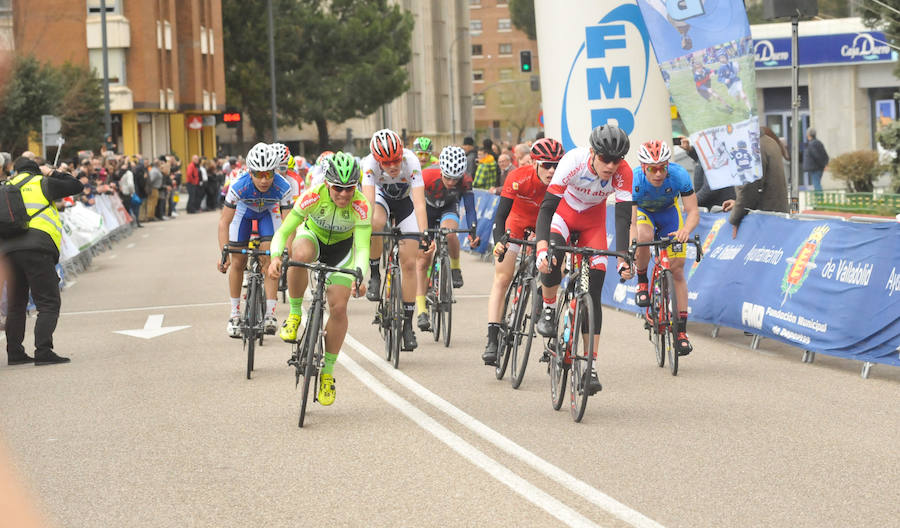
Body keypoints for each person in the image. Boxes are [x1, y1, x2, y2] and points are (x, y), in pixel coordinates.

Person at [267, 152, 372, 406]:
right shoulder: (312, 196)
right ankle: (295, 314)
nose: (344, 194)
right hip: (312, 238)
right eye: (338, 188)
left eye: (350, 188)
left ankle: (327, 373)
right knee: (299, 255)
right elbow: (283, 231)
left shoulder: (362, 206)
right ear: (327, 184)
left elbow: (362, 247)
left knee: (339, 308)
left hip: (342, 252)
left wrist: (359, 274)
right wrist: (275, 257)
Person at [534, 125, 632, 393]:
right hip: (564, 215)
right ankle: (549, 308)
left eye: (616, 160)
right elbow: (547, 208)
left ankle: (590, 367)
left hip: (593, 224)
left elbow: (623, 218)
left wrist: (623, 258)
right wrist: (542, 248)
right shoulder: (573, 162)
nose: (611, 166)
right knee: (553, 259)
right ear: (592, 153)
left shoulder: (623, 172)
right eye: (605, 159)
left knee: (593, 291)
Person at [481, 138, 564, 366]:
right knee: (503, 277)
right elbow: (501, 214)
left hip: (544, 227)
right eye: (546, 165)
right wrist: (500, 241)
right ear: (535, 163)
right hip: (516, 223)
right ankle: (492, 339)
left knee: (557, 268)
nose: (552, 170)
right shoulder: (518, 177)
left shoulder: (563, 182)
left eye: (556, 165)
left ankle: (544, 306)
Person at [3, 157, 83, 365]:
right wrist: (52, 172)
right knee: (48, 302)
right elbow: (76, 185)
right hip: (37, 248)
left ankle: (15, 352)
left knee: (16, 304)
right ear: (36, 170)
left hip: (8, 252)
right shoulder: (42, 182)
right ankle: (43, 350)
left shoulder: (5, 186)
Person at [629, 140, 700, 356]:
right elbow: (631, 223)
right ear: (644, 167)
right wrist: (631, 246)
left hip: (669, 214)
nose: (658, 173)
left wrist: (685, 230)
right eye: (653, 169)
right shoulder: (634, 179)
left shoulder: (679, 175)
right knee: (644, 236)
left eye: (662, 168)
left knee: (677, 270)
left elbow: (693, 211)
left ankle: (681, 332)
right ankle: (642, 281)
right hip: (644, 213)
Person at [361, 128, 430, 352]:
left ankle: (408, 325)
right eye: (386, 162)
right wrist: (365, 232)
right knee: (375, 222)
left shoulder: (411, 161)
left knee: (409, 264)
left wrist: (425, 234)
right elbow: (368, 203)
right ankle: (374, 273)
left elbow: (419, 203)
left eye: (396, 160)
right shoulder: (369, 164)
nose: (392, 166)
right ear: (377, 160)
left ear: (402, 154)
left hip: (405, 204)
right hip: (381, 199)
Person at [216, 143, 293, 338]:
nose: (264, 180)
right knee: (237, 262)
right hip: (243, 213)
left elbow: (288, 224)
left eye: (269, 174)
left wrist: (287, 251)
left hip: (268, 213)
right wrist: (224, 253)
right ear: (250, 172)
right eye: (259, 174)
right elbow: (224, 222)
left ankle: (270, 315)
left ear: (275, 171)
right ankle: (234, 315)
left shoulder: (283, 186)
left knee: (270, 260)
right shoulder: (238, 185)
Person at [415, 146, 479, 331]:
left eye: (455, 178)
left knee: (450, 233)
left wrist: (473, 231)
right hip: (426, 210)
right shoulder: (427, 175)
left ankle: (455, 268)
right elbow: (415, 204)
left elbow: (470, 208)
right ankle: (421, 311)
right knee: (423, 260)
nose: (451, 182)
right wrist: (422, 233)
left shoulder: (465, 180)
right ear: (441, 170)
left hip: (448, 208)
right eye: (448, 177)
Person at [723, 127, 789, 237]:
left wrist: (734, 218)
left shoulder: (753, 148)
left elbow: (750, 190)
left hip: (763, 222)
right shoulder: (769, 142)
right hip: (773, 218)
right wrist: (737, 204)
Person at [678, 136, 735, 209]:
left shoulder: (717, 157)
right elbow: (702, 160)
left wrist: (691, 202)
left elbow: (710, 189)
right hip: (712, 205)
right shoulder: (712, 152)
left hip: (717, 208)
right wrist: (690, 149)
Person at [802, 128, 829, 192]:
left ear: (808, 135)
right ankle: (819, 197)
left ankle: (819, 198)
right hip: (818, 168)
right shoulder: (819, 143)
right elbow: (825, 155)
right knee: (817, 183)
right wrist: (825, 165)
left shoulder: (812, 144)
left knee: (816, 184)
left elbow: (816, 156)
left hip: (815, 168)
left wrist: (823, 165)